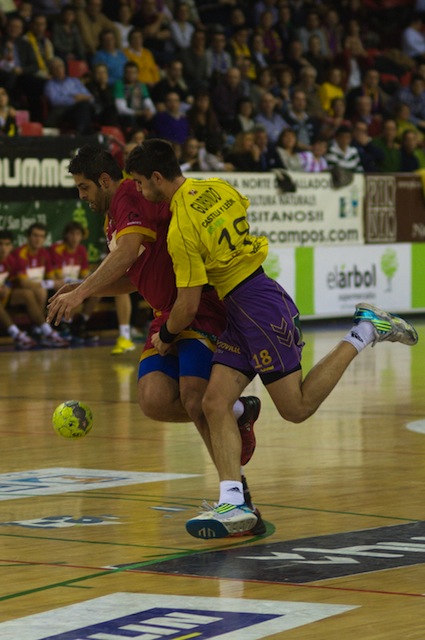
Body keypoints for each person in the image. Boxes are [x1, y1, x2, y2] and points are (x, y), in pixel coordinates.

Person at [124, 138, 418, 539]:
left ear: (157, 178)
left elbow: (187, 306)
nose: (140, 192)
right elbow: (239, 214)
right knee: (213, 403)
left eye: (141, 183)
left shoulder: (179, 229)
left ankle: (366, 329)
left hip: (257, 308)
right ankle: (233, 502)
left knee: (295, 408)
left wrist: (166, 335)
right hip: (243, 305)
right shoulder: (218, 187)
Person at [46, 144, 264, 535]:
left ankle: (236, 497)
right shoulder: (116, 216)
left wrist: (79, 294)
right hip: (164, 314)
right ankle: (235, 414)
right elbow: (134, 276)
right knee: (154, 400)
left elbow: (128, 253)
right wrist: (85, 288)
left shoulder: (129, 195)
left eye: (83, 188)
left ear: (104, 181)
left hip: (196, 308)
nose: (80, 196)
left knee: (197, 399)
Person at [12, 223, 69, 348]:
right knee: (40, 291)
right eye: (35, 235)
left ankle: (62, 325)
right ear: (28, 237)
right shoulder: (20, 253)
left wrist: (59, 283)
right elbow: (23, 282)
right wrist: (50, 283)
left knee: (61, 289)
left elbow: (52, 278)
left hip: (38, 291)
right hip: (18, 291)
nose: (38, 239)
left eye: (41, 236)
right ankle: (43, 329)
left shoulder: (44, 253)